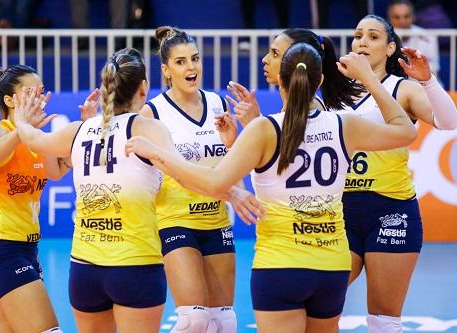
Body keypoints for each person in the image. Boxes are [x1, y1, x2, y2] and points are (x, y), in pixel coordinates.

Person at [125, 42, 418, 333]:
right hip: (331, 265)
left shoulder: (264, 129)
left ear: (280, 80)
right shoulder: (345, 124)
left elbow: (214, 181)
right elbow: (406, 131)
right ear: (319, 81)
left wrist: (159, 155)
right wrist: (370, 79)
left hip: (280, 265)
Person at [13, 48, 261, 333]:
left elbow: (35, 140)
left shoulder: (79, 130)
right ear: (143, 87)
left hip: (84, 269)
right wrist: (233, 193)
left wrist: (21, 120)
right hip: (134, 265)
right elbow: (185, 175)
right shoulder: (146, 128)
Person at [337, 15, 457, 333]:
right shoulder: (333, 89)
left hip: (390, 210)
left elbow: (448, 122)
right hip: (339, 212)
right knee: (321, 306)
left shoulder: (402, 88)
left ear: (390, 48)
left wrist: (428, 81)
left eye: (373, 37)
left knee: (384, 321)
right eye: (358, 34)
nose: (362, 41)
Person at [139, 26, 239, 333]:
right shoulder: (152, 112)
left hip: (217, 221)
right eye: (181, 62)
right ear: (166, 70)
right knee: (195, 320)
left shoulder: (218, 104)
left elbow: (232, 161)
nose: (191, 67)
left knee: (224, 322)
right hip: (176, 221)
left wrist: (233, 140)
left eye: (195, 59)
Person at [0, 64, 70, 333]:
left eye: (39, 92)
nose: (37, 98)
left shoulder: (36, 137)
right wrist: (21, 129)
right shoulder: (1, 130)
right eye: (30, 93)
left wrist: (84, 127)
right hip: (0, 251)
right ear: (9, 100)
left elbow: (56, 171)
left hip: (28, 251)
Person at [227, 28, 363, 127]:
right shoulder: (301, 102)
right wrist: (258, 119)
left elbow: (282, 163)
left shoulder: (309, 108)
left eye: (275, 53)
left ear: (297, 59)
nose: (264, 59)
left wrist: (254, 125)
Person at [387, 0, 440, 76]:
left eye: (406, 16)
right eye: (397, 17)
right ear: (389, 19)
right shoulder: (384, 38)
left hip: (424, 84)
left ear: (413, 17)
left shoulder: (427, 37)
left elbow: (434, 69)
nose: (402, 21)